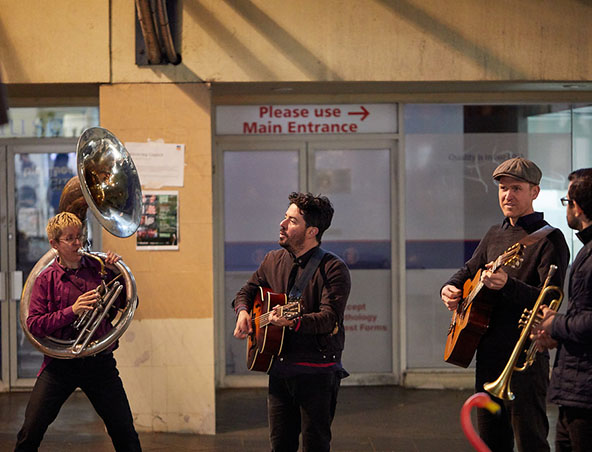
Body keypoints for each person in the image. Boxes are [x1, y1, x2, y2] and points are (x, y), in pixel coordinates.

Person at [440, 157, 569, 452]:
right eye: (503, 189)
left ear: (534, 192)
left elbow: (550, 300)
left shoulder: (551, 240)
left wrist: (508, 285)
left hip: (524, 357)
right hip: (488, 353)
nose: (507, 195)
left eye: (517, 189)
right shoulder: (494, 234)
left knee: (530, 439)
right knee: (492, 440)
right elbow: (469, 270)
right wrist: (449, 288)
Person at [232, 192, 351, 452]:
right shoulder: (273, 260)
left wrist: (293, 322)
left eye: (292, 221)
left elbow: (329, 318)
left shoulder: (333, 269)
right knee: (280, 445)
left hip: (317, 372)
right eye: (285, 217)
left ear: (312, 231)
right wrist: (243, 312)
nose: (282, 224)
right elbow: (246, 292)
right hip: (279, 369)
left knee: (315, 445)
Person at [15, 212, 141, 452]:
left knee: (124, 433)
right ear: (54, 244)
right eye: (70, 238)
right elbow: (35, 325)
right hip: (59, 365)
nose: (78, 243)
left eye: (80, 236)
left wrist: (117, 273)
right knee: (30, 432)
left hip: (99, 363)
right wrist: (72, 310)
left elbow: (130, 303)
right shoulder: (45, 279)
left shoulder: (99, 268)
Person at [533, 168, 592, 452]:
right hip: (575, 388)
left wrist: (554, 324)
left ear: (577, 207)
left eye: (567, 201)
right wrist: (558, 335)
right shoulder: (586, 248)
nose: (566, 207)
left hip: (586, 391)